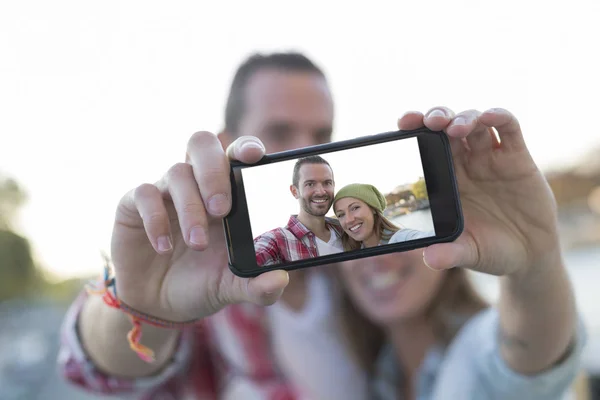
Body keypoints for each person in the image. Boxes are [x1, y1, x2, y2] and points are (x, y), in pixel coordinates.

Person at [58, 50, 586, 400]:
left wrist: (536, 265)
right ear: (225, 142)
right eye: (279, 129)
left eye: (321, 132)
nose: (303, 149)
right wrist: (140, 307)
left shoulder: (361, 261)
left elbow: (505, 360)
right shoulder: (215, 280)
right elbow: (97, 369)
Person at [254, 155, 345, 267]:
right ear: (294, 191)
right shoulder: (276, 241)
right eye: (310, 184)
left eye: (327, 183)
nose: (321, 192)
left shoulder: (345, 229)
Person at [332, 183, 433, 250]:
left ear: (373, 209)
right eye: (341, 215)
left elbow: (427, 238)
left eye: (355, 208)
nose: (349, 220)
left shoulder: (401, 238)